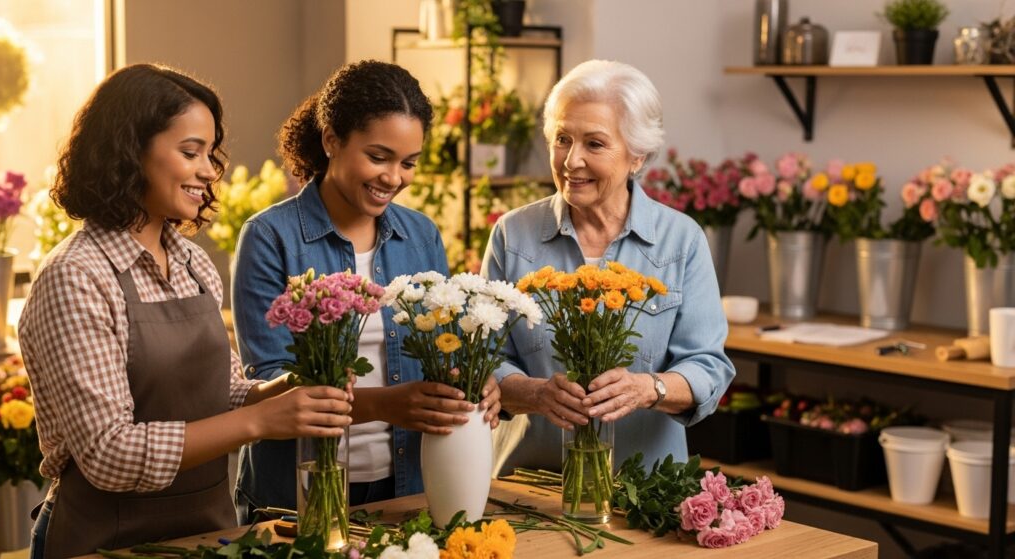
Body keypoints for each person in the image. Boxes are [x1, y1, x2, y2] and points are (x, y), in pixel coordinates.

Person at [19, 64, 353, 559]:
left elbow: (226, 390)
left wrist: (287, 390)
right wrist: (263, 423)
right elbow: (110, 454)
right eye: (190, 151)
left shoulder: (192, 262)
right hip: (107, 540)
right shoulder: (76, 275)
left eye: (210, 154)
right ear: (128, 151)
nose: (208, 171)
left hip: (208, 534)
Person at [232, 60, 501, 520]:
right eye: (378, 157)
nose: (393, 178)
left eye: (408, 163)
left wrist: (477, 380)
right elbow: (271, 385)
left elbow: (444, 347)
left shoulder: (421, 236)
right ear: (332, 139)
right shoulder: (270, 237)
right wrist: (387, 405)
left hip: (410, 487)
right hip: (298, 497)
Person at [482, 60, 735, 473]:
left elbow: (708, 367)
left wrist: (647, 388)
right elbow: (486, 355)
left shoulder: (682, 241)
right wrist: (533, 392)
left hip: (647, 493)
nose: (572, 160)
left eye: (595, 144)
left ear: (637, 156)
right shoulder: (513, 234)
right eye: (562, 138)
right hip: (528, 487)